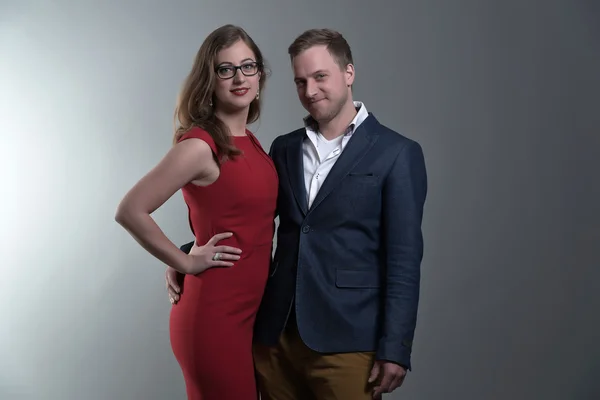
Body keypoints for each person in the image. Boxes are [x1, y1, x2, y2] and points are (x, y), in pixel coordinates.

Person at [169, 28, 428, 400]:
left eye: (320, 77)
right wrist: (185, 255)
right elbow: (251, 218)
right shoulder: (284, 148)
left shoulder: (397, 153)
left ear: (348, 73)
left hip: (347, 342)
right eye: (300, 81)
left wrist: (396, 348)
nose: (310, 91)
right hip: (274, 339)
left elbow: (404, 260)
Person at [115, 24, 278, 400]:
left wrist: (189, 247)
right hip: (213, 319)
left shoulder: (250, 142)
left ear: (260, 75)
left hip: (248, 316)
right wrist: (185, 261)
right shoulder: (200, 146)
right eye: (226, 69)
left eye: (248, 66)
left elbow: (235, 219)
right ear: (210, 79)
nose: (239, 77)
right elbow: (130, 210)